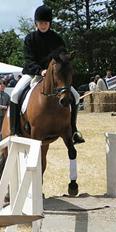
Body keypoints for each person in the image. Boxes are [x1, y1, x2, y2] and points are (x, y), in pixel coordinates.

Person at [9, 5, 85, 144]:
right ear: (36, 23)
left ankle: (73, 130)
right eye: (40, 22)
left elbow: (63, 59)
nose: (43, 25)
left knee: (76, 96)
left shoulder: (57, 39)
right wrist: (40, 70)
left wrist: (55, 72)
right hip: (34, 74)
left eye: (45, 23)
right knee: (15, 94)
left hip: (55, 77)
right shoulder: (30, 38)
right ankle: (15, 130)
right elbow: (29, 59)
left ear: (50, 23)